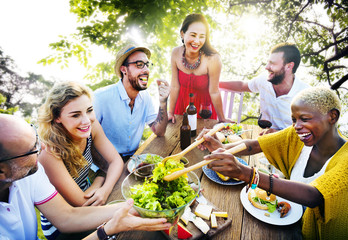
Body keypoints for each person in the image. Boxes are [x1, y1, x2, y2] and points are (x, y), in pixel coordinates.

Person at [198, 87, 347, 239]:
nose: (296, 126)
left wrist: (246, 174)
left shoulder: (346, 160)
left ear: (332, 117)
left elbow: (314, 195)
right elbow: (256, 144)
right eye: (294, 120)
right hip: (283, 217)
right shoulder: (297, 135)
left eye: (305, 119)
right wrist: (222, 147)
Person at [0, 114, 171, 240]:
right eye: (33, 148)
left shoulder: (29, 173)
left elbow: (67, 216)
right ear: (2, 171)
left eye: (37, 138)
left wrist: (144, 205)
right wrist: (106, 230)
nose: (43, 147)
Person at [37, 81, 125, 239]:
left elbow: (116, 161)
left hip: (93, 198)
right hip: (65, 224)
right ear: (57, 117)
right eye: (76, 115)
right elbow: (81, 202)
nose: (86, 120)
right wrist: (100, 179)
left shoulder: (91, 127)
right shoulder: (50, 152)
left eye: (89, 110)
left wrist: (104, 189)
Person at [93, 44, 170, 161]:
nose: (146, 70)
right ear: (123, 69)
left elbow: (159, 131)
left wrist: (163, 103)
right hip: (104, 163)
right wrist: (107, 169)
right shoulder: (100, 98)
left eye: (147, 65)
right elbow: (86, 140)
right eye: (139, 65)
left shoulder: (145, 97)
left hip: (133, 160)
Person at [219, 42, 310, 135]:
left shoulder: (306, 95)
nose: (266, 67)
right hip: (265, 139)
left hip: (290, 144)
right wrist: (215, 83)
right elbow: (242, 86)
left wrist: (278, 134)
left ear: (289, 66)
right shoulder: (264, 80)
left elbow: (308, 132)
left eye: (272, 63)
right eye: (268, 62)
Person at [168, 13, 230, 123]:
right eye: (193, 35)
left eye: (202, 36)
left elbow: (214, 91)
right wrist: (170, 113)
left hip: (204, 111)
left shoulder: (213, 59)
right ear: (182, 34)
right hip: (181, 109)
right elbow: (174, 86)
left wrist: (222, 119)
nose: (197, 41)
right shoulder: (175, 53)